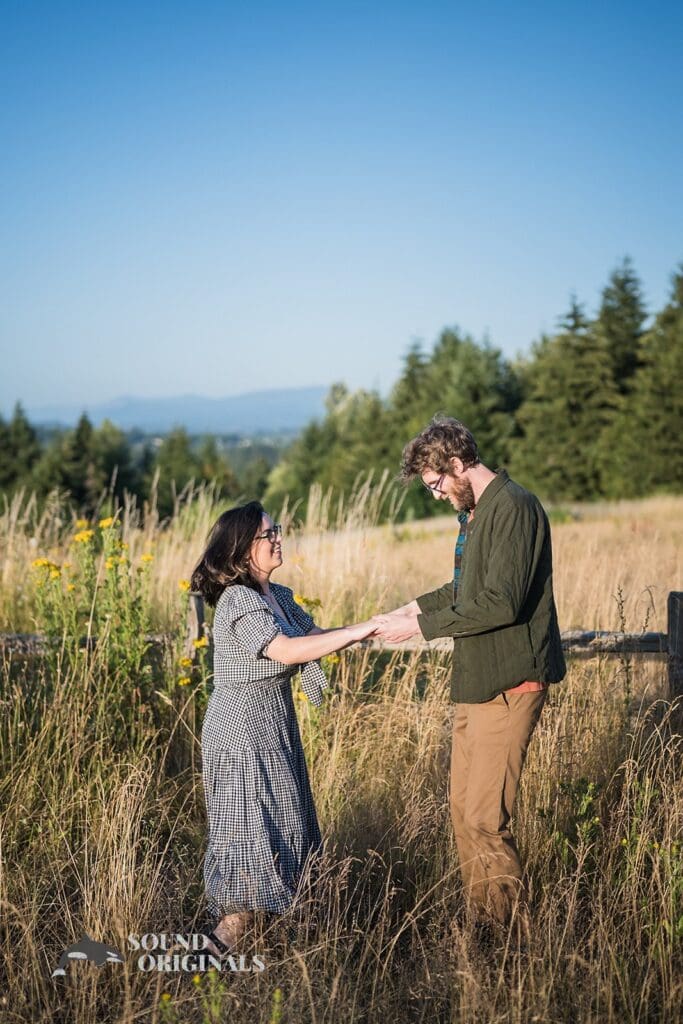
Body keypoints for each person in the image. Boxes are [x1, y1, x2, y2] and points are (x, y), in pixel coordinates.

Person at [373, 415, 566, 940]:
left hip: (510, 681)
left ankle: (509, 943)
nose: (436, 495)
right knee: (461, 812)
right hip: (475, 680)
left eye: (436, 484)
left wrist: (423, 627)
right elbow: (462, 591)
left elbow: (500, 602)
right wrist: (401, 615)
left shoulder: (515, 508)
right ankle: (482, 925)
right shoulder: (474, 513)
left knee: (485, 820)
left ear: (457, 464)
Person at [190, 501, 378, 957]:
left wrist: (375, 627)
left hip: (274, 728)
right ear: (240, 550)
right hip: (241, 734)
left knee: (283, 825)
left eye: (278, 531)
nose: (278, 539)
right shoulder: (238, 600)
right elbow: (288, 651)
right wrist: (361, 630)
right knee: (252, 834)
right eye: (267, 535)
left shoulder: (280, 595)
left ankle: (273, 945)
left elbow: (313, 637)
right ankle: (212, 954)